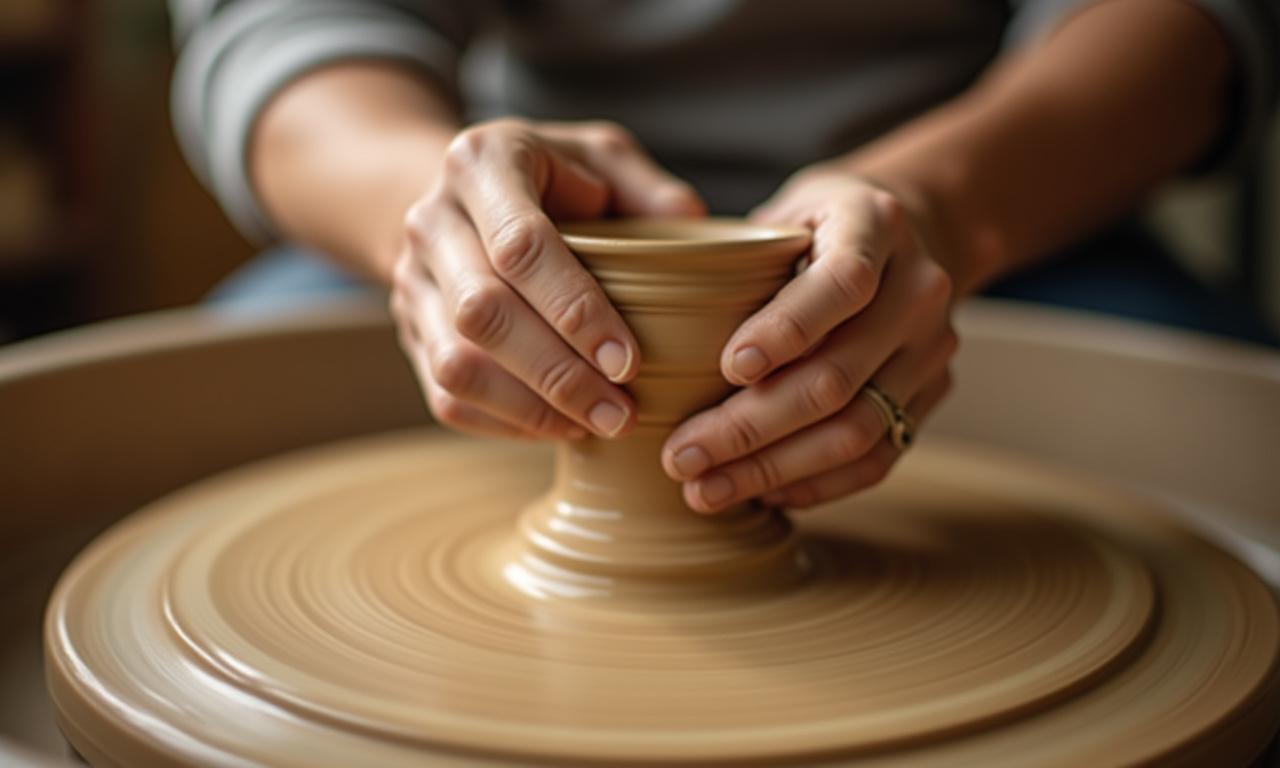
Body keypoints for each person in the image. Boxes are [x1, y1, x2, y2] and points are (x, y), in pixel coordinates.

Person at [170, 1, 1276, 513]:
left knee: (1241, 451)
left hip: (979, 206)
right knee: (196, 424)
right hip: (535, 235)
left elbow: (1183, 25)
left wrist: (939, 209)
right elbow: (283, 25)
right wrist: (433, 208)